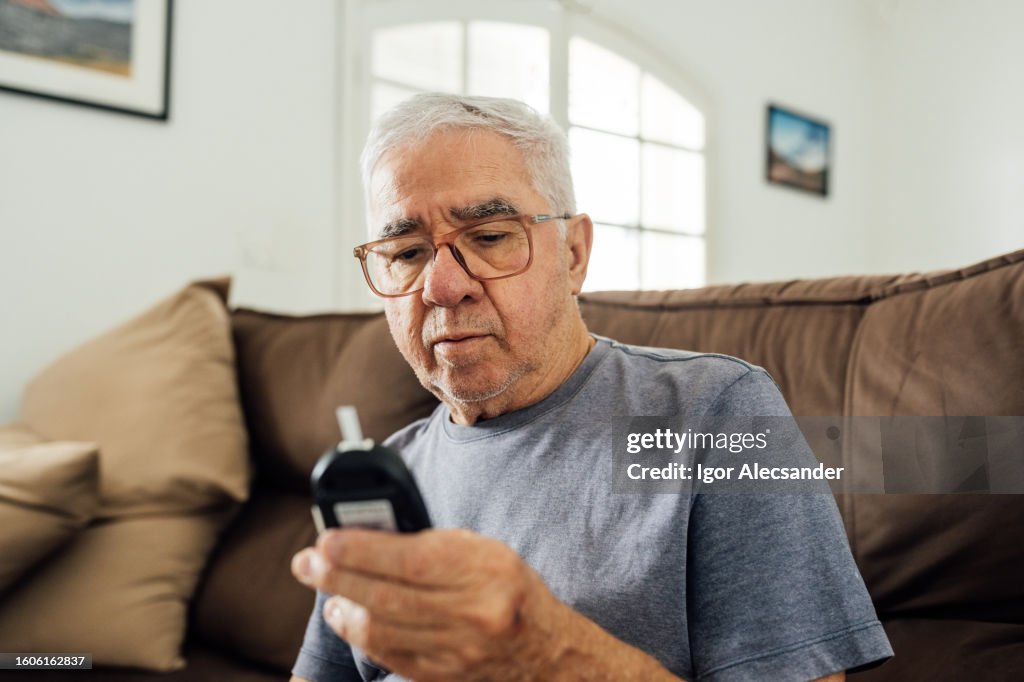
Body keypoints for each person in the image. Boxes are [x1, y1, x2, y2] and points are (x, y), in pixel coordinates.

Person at [289, 94, 892, 682]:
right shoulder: (381, 475)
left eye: (490, 236)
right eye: (406, 251)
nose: (443, 286)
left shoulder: (720, 415)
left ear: (573, 254)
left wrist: (547, 656)